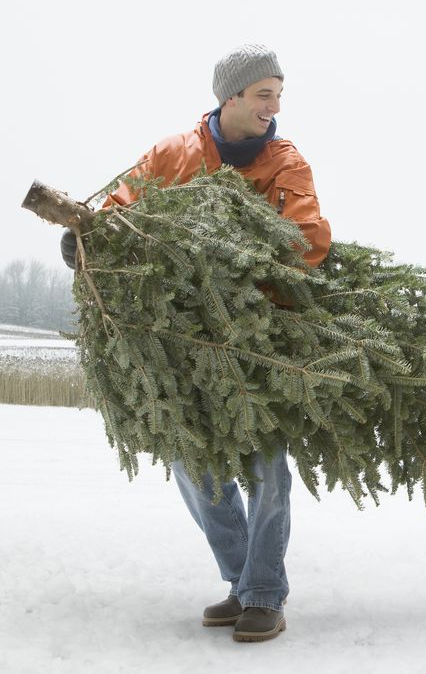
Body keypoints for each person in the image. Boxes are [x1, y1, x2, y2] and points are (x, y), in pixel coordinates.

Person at [61, 44, 331, 642]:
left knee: (266, 468)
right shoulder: (171, 154)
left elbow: (306, 241)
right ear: (229, 96)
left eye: (280, 95)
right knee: (192, 461)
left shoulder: (285, 162)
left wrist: (230, 269)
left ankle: (265, 593)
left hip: (258, 340)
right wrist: (88, 241)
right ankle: (240, 582)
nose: (275, 106)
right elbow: (118, 211)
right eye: (264, 94)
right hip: (180, 343)